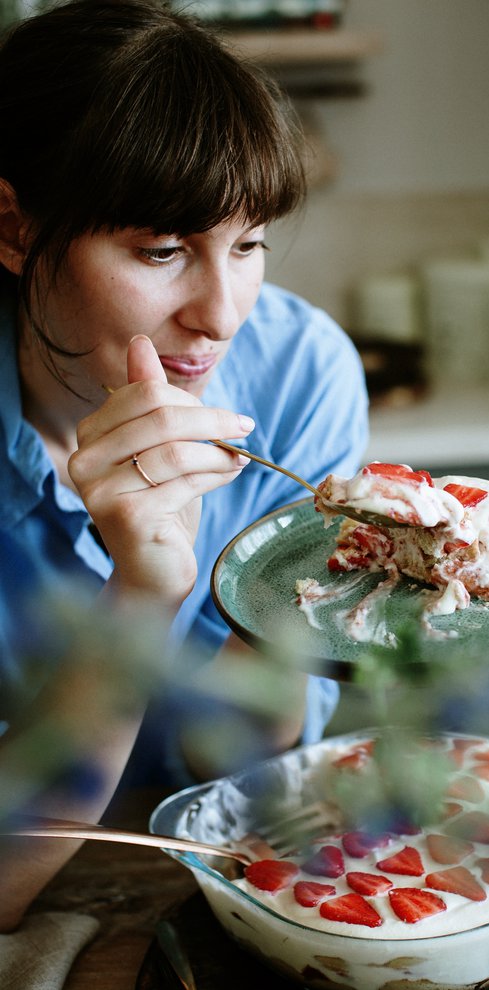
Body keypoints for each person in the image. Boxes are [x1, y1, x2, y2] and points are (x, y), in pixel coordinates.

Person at [0, 0, 368, 930]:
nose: (224, 314)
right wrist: (142, 595)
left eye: (247, 246)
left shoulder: (298, 372)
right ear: (12, 228)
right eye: (162, 250)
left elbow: (250, 758)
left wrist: (291, 601)